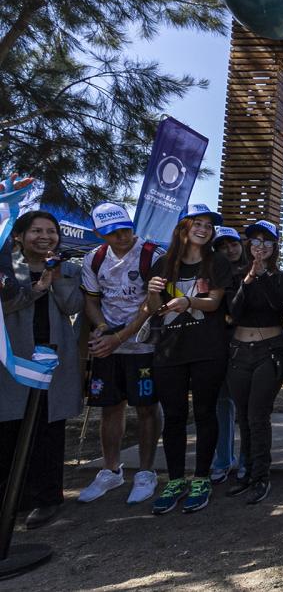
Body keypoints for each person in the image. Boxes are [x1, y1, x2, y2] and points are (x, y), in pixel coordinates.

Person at [146, 204, 233, 515]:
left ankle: (201, 478)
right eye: (198, 223)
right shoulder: (162, 264)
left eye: (208, 225)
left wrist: (187, 300)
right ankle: (175, 480)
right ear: (183, 228)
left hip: (208, 349)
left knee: (205, 413)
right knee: (174, 417)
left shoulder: (217, 262)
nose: (204, 229)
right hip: (169, 351)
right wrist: (153, 291)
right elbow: (156, 310)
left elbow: (214, 304)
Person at [0, 211, 83, 529]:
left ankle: (46, 499)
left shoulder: (69, 269)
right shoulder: (7, 268)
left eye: (51, 231)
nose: (45, 236)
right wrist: (37, 287)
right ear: (19, 236)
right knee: (9, 429)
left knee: (48, 431)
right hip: (13, 359)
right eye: (36, 230)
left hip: (52, 360)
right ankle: (13, 500)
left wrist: (56, 276)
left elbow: (72, 306)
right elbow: (6, 304)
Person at [78, 203, 162, 506]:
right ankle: (110, 470)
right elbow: (91, 300)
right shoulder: (94, 259)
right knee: (110, 407)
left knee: (147, 407)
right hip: (108, 346)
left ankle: (146, 472)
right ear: (102, 233)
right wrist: (102, 328)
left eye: (126, 229)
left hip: (144, 344)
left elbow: (151, 305)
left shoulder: (152, 255)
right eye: (114, 233)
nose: (122, 237)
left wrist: (120, 337)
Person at [225, 220, 283, 504]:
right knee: (242, 416)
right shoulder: (235, 276)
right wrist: (248, 280)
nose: (260, 246)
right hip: (239, 350)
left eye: (266, 242)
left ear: (274, 247)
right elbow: (231, 313)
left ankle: (260, 475)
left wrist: (263, 276)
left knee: (258, 415)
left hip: (270, 350)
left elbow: (275, 304)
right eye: (255, 241)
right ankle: (246, 470)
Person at [210, 226, 248, 484]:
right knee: (222, 405)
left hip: (247, 346)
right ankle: (223, 460)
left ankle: (248, 459)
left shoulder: (252, 272)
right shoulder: (211, 275)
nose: (230, 250)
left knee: (248, 408)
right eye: (222, 246)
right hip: (218, 347)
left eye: (233, 244)